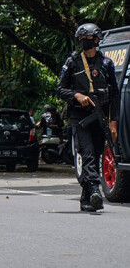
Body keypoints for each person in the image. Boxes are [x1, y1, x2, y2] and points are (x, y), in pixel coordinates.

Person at [57, 23, 119, 212]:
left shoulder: (107, 64)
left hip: (99, 116)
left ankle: (86, 199)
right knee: (88, 153)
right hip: (79, 117)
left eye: (88, 39)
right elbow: (60, 89)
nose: (84, 42)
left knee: (97, 153)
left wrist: (113, 122)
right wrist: (77, 96)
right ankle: (95, 190)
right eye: (81, 39)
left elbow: (115, 95)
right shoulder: (73, 62)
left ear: (96, 40)